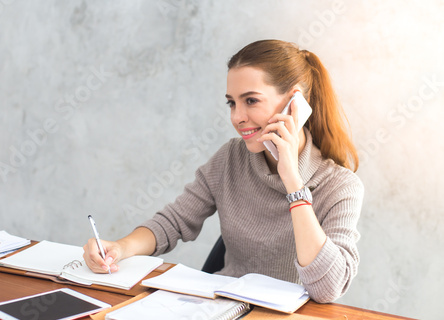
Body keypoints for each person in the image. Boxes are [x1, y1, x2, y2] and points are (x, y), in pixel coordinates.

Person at [83, 39, 363, 303]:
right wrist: (119, 248)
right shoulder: (230, 158)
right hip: (223, 309)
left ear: (294, 103)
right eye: (232, 102)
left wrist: (293, 181)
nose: (237, 117)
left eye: (251, 100)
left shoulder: (340, 186)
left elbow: (328, 288)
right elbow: (174, 221)